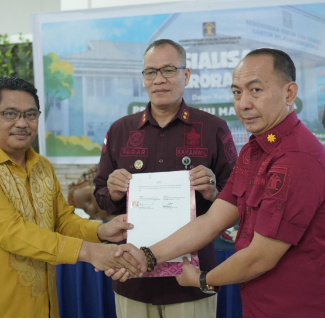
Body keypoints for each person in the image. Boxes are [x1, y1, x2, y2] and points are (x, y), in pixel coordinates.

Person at [113, 48, 325, 318]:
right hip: (259, 307)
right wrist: (147, 255)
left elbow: (261, 256)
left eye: (256, 90)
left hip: (305, 311)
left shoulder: (296, 158)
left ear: (289, 93)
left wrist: (203, 280)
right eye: (237, 92)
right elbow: (212, 220)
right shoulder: (254, 150)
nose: (243, 104)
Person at [0, 76, 145, 318]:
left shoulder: (42, 166)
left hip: (43, 308)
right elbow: (12, 232)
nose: (22, 123)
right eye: (10, 114)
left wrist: (101, 231)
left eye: (30, 115)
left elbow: (62, 220)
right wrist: (90, 252)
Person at [94, 39, 237, 318]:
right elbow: (101, 196)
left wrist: (213, 191)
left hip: (190, 280)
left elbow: (237, 200)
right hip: (132, 278)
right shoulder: (121, 130)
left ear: (186, 75)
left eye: (168, 70)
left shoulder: (213, 128)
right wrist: (113, 192)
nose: (158, 79)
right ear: (143, 78)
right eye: (150, 72)